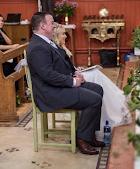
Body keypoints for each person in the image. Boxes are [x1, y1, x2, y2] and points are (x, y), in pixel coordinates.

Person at [27, 12, 104, 155]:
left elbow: (58, 65)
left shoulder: (45, 42)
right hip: (50, 93)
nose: (54, 25)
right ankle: (81, 139)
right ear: (43, 26)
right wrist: (73, 81)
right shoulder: (38, 46)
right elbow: (48, 75)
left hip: (57, 86)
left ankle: (89, 134)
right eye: (52, 23)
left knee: (97, 89)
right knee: (94, 100)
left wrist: (73, 73)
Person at [53, 23, 132, 140]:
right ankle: (117, 98)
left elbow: (65, 67)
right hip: (68, 81)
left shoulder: (61, 48)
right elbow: (58, 72)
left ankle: (116, 98)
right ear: (56, 36)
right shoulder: (54, 49)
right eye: (63, 34)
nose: (65, 36)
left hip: (72, 75)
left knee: (96, 74)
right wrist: (73, 74)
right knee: (96, 76)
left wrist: (75, 69)